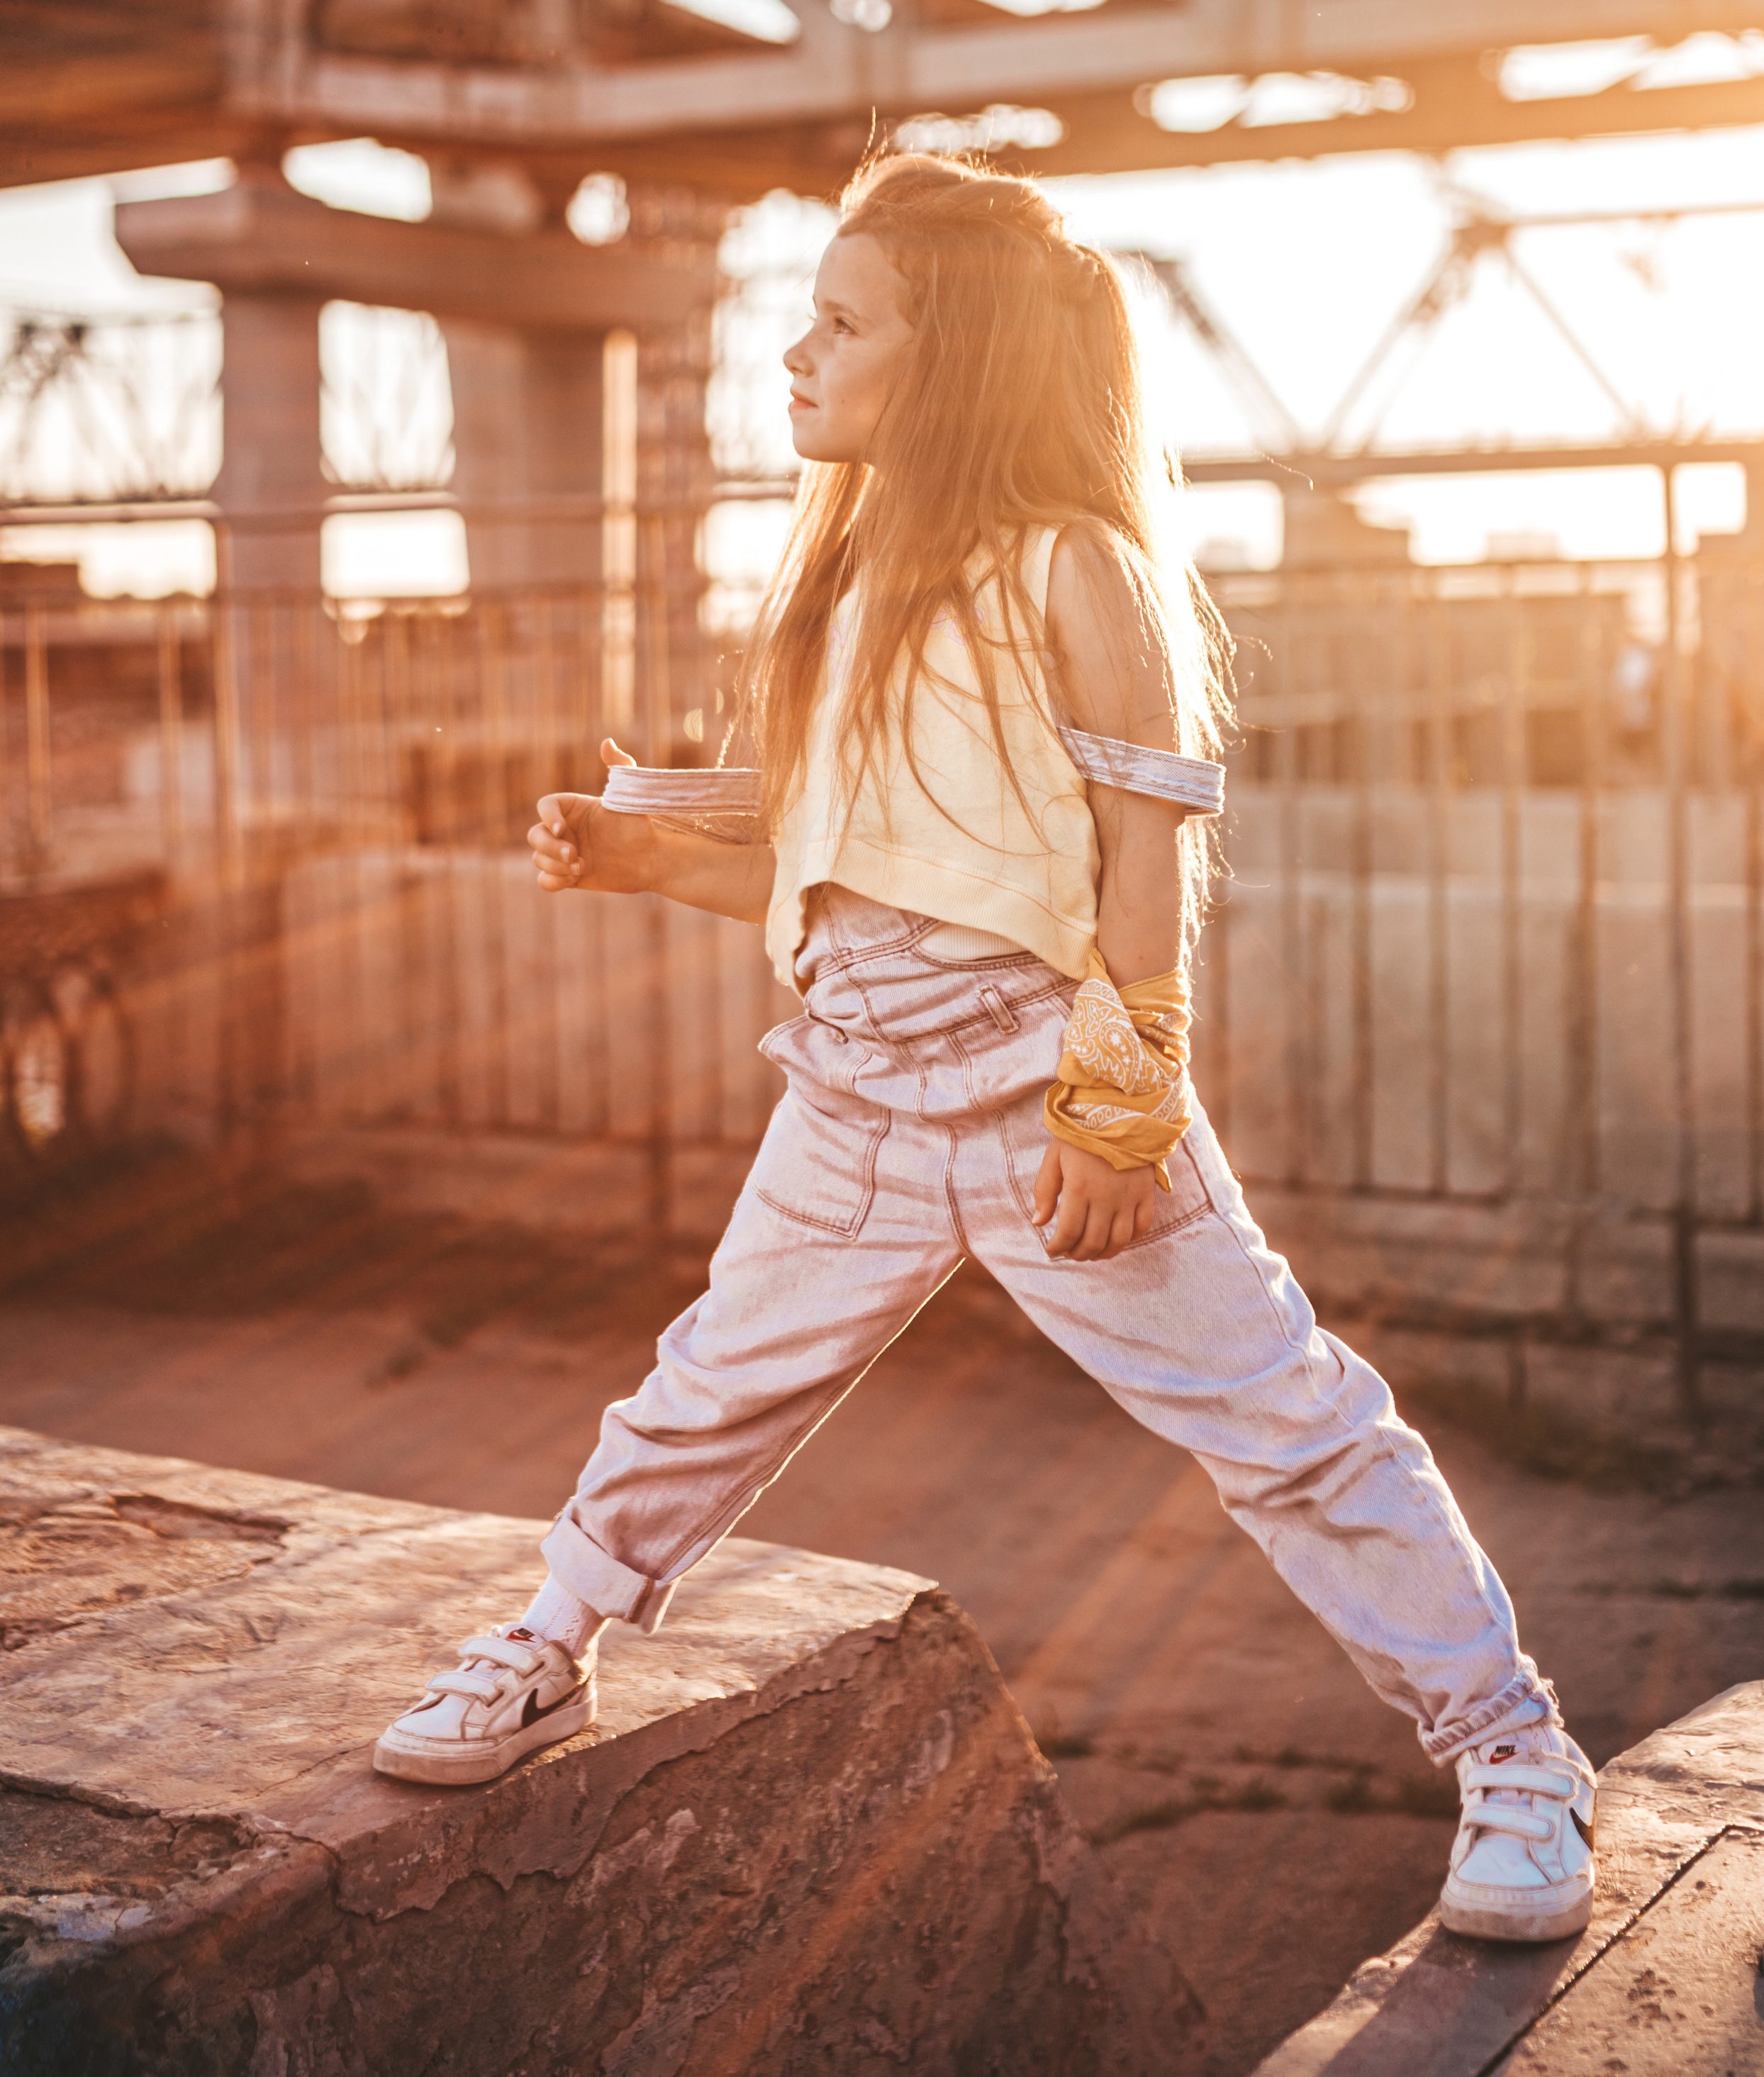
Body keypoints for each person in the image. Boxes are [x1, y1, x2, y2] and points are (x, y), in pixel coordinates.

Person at [373, 155, 1596, 1944]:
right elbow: (835, 879)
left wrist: (1117, 1106)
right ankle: (546, 1646)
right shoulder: (845, 585)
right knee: (708, 1385)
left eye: (841, 323)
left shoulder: (1074, 565)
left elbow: (1141, 852)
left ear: (948, 367)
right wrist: (644, 855)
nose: (793, 353)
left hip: (1053, 1096)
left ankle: (1512, 1751)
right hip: (851, 1099)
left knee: (1288, 1428)